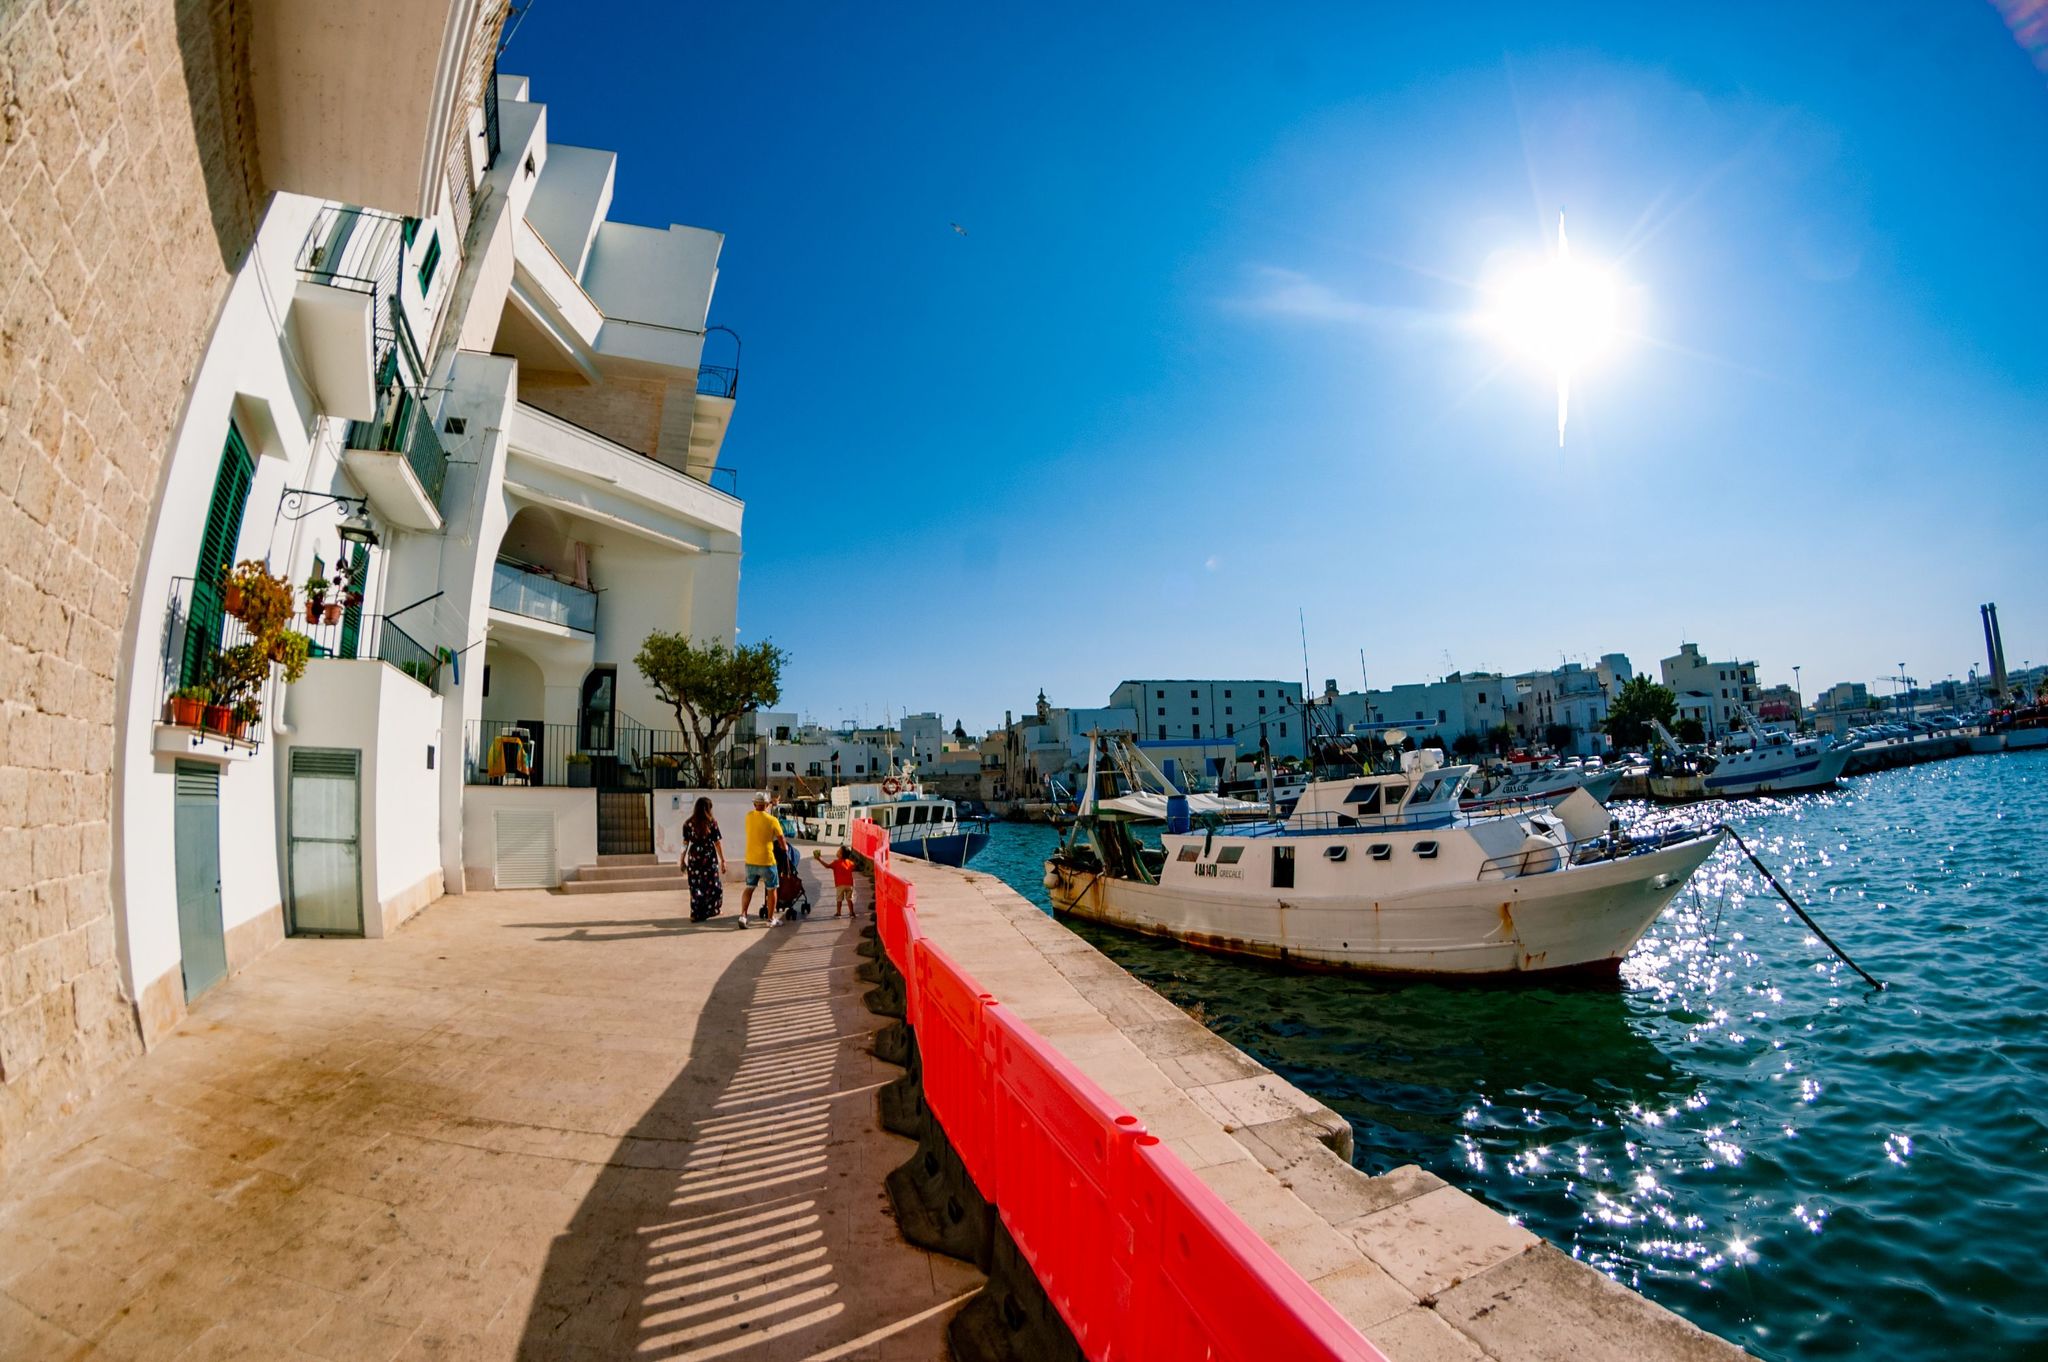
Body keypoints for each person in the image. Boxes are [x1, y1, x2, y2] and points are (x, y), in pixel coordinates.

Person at [738, 792, 786, 928]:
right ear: (767, 805)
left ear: (754, 804)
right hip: (767, 860)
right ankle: (770, 919)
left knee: (749, 888)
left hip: (750, 859)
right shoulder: (772, 820)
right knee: (772, 889)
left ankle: (743, 915)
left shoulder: (748, 816)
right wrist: (785, 848)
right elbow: (781, 839)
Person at [680, 796, 726, 923]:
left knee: (695, 886)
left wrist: (682, 859)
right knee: (713, 885)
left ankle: (695, 913)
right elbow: (717, 843)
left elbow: (684, 843)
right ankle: (712, 910)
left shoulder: (688, 823)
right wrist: (723, 860)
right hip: (709, 858)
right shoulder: (711, 823)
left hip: (694, 858)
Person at [815, 845, 858, 918]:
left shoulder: (836, 862)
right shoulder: (850, 862)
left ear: (841, 855)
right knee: (849, 899)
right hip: (849, 884)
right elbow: (855, 867)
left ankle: (838, 913)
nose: (837, 852)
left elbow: (827, 866)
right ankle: (851, 913)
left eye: (838, 851)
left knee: (839, 899)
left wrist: (819, 859)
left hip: (840, 885)